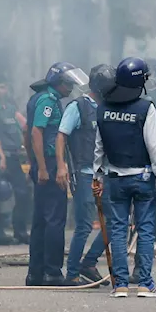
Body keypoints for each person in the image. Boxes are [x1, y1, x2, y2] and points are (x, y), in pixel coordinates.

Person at [92, 57, 156, 298]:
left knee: (118, 230)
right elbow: (155, 147)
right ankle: (145, 283)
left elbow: (99, 147)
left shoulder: (103, 108)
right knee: (145, 229)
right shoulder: (146, 108)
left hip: (115, 178)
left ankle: (121, 285)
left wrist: (97, 175)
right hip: (143, 178)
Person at [24, 62, 85, 286]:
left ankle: (36, 273)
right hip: (48, 163)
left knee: (40, 219)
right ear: (58, 82)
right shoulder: (48, 100)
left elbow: (26, 133)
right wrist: (42, 166)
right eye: (67, 83)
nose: (70, 88)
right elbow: (36, 132)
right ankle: (53, 272)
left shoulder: (38, 98)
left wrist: (33, 163)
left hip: (41, 163)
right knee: (55, 220)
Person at [56, 64, 110, 285]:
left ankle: (89, 262)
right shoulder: (78, 106)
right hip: (85, 173)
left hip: (106, 174)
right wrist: (61, 166)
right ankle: (72, 274)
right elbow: (61, 135)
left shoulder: (108, 107)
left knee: (117, 221)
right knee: (84, 225)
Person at [0, 72, 31, 244]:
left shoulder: (11, 108)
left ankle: (20, 231)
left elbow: (23, 128)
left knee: (22, 193)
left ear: (7, 89)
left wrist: (26, 150)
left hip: (15, 156)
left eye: (2, 87)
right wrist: (1, 156)